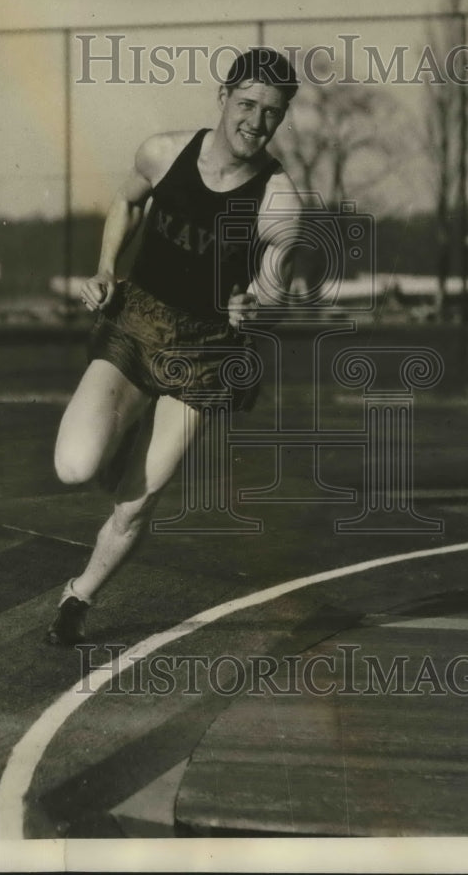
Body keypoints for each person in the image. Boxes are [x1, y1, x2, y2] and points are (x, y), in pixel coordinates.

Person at [47, 47, 302, 646]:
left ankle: (78, 595)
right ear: (224, 97)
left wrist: (255, 307)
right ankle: (120, 426)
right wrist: (107, 266)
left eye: (272, 112)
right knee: (74, 466)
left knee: (137, 502)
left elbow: (275, 286)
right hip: (137, 324)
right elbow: (127, 200)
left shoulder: (279, 200)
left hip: (208, 353)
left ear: (282, 118)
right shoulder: (162, 152)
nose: (256, 121)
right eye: (247, 104)